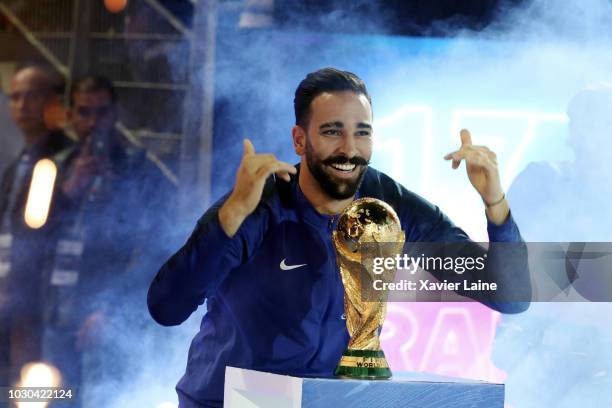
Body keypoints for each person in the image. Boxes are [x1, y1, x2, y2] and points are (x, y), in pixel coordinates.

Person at [147, 67, 531, 408]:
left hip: (329, 401)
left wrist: (495, 202)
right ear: (300, 141)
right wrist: (230, 215)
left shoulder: (391, 203)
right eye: (332, 132)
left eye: (361, 133)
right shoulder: (256, 206)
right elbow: (167, 308)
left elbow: (511, 296)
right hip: (230, 402)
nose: (349, 149)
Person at [41, 75, 176, 403]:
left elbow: (154, 250)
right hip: (58, 313)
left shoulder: (139, 170)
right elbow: (32, 236)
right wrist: (69, 192)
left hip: (110, 318)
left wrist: (110, 308)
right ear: (70, 115)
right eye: (84, 113)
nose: (93, 123)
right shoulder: (55, 169)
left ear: (114, 114)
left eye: (101, 113)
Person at [0, 64, 74, 385]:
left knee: (46, 384)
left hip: (48, 296)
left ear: (53, 102)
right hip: (16, 291)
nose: (22, 105)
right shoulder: (22, 160)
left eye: (32, 96)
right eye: (15, 97)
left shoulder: (64, 158)